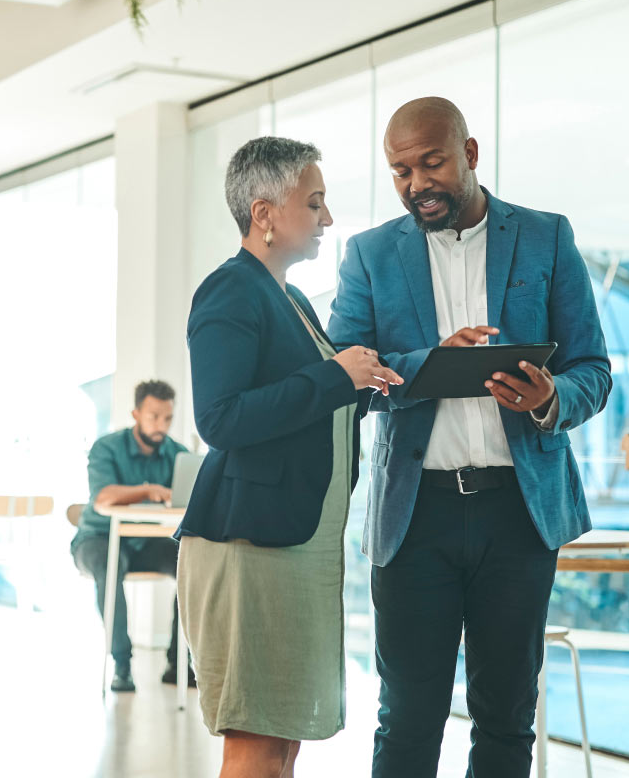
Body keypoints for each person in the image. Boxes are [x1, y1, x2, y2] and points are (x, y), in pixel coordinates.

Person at [327, 97, 612, 778]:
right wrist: (433, 362)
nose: (416, 184)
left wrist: (550, 400)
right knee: (407, 718)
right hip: (412, 515)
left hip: (517, 512)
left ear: (470, 154)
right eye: (400, 171)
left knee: (507, 716)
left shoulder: (544, 237)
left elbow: (593, 370)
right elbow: (344, 375)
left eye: (431, 163)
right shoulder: (368, 255)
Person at [175, 136, 403, 778]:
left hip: (291, 545)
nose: (328, 218)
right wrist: (337, 378)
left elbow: (315, 406)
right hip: (249, 546)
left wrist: (406, 375)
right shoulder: (230, 292)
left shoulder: (293, 300)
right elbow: (220, 419)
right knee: (256, 738)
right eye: (315, 202)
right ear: (264, 213)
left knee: (281, 741)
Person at [71, 379, 192, 692]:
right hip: (97, 538)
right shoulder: (106, 448)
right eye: (153, 417)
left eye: (167, 418)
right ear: (136, 414)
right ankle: (122, 665)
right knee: (109, 568)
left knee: (191, 564)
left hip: (147, 540)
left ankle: (178, 664)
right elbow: (103, 498)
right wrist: (149, 490)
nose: (160, 425)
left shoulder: (178, 454)